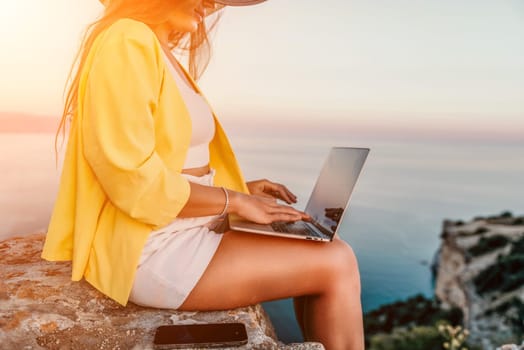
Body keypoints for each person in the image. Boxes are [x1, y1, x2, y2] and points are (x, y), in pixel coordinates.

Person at [41, 0, 364, 348]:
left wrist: (242, 191)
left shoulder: (157, 49)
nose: (212, 4)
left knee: (321, 247)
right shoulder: (127, 39)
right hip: (152, 247)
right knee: (337, 262)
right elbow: (131, 178)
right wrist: (234, 201)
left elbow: (171, 160)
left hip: (187, 228)